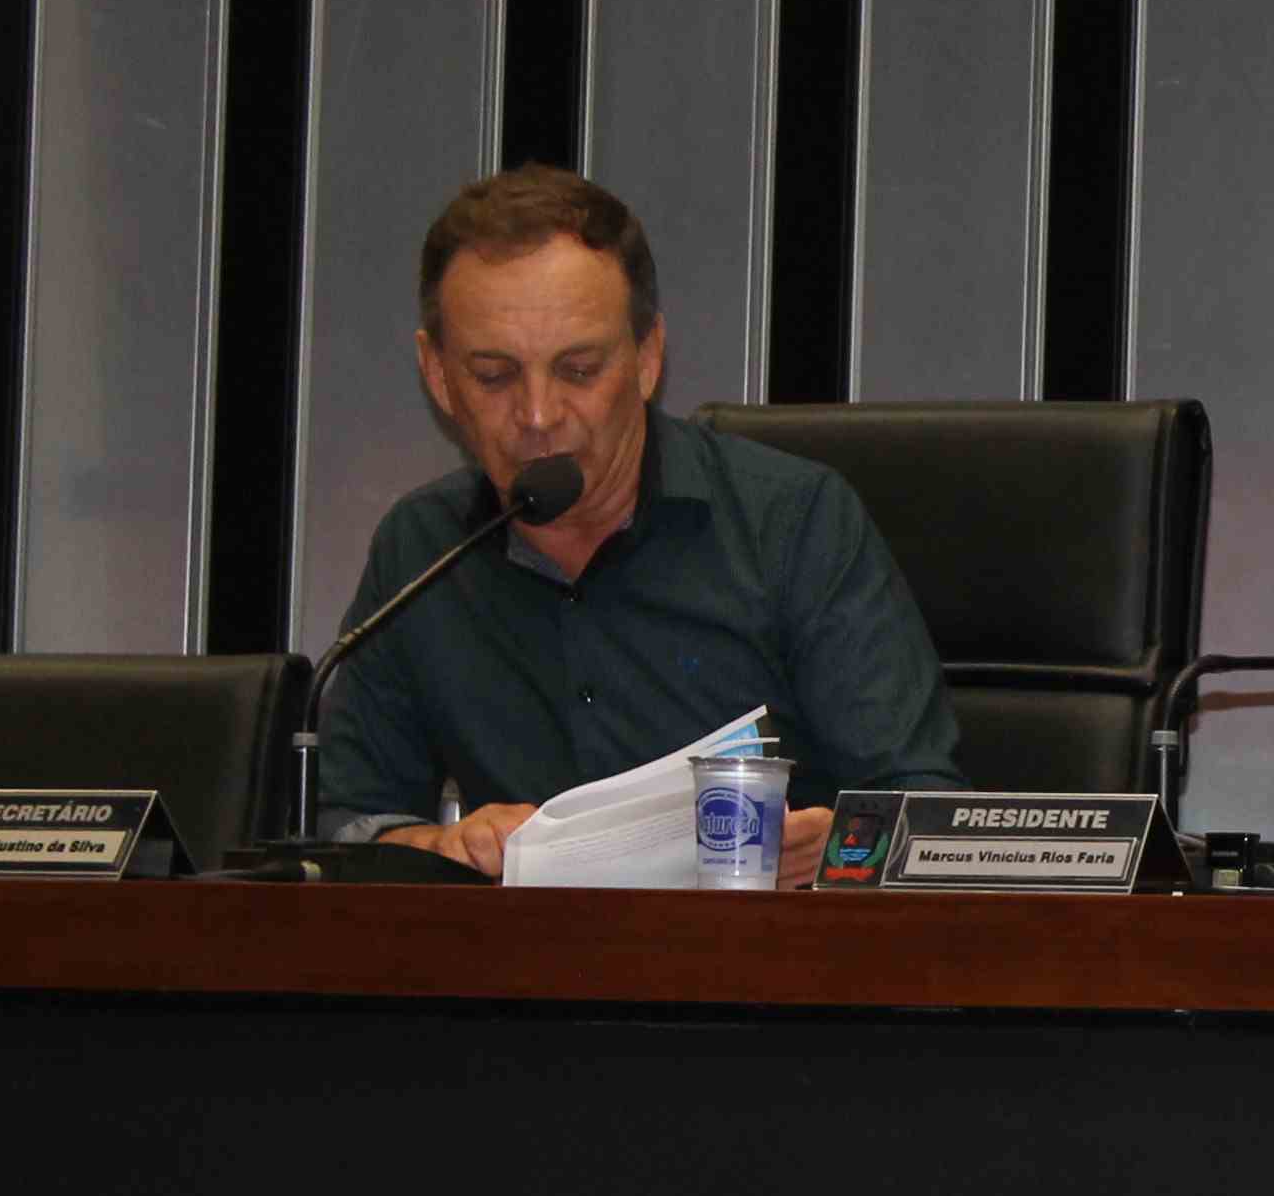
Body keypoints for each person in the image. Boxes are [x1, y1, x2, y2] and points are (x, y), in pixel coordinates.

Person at [314, 165, 963, 879]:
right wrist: (439, 847)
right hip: (529, 949)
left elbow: (925, 812)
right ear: (438, 375)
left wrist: (832, 851)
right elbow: (348, 824)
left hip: (768, 942)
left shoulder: (793, 523)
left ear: (648, 358)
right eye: (495, 376)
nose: (538, 415)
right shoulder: (422, 550)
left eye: (578, 370)